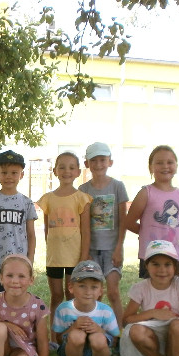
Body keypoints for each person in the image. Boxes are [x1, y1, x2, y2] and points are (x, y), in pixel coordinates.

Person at [37, 150, 92, 340]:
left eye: (71, 167)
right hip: (54, 257)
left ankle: (72, 335)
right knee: (56, 296)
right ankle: (55, 337)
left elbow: (86, 231)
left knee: (72, 297)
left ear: (78, 172)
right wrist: (51, 250)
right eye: (62, 167)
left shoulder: (82, 198)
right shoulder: (48, 199)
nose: (66, 171)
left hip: (74, 257)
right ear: (55, 171)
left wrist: (83, 257)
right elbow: (47, 230)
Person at [78, 141, 129, 330]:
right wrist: (85, 253)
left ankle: (119, 333)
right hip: (92, 250)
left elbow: (123, 221)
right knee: (94, 294)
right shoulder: (83, 190)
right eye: (94, 160)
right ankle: (95, 331)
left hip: (112, 250)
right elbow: (83, 225)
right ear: (87, 164)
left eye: (102, 160)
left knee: (113, 292)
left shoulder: (118, 187)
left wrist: (119, 248)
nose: (98, 164)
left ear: (110, 162)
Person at [52, 260, 120, 356]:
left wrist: (99, 330)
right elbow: (59, 339)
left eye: (94, 287)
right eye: (82, 286)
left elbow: (114, 340)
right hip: (70, 355)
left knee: (98, 337)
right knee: (76, 335)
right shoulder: (64, 309)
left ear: (101, 290)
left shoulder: (105, 311)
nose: (88, 292)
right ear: (71, 287)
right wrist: (73, 327)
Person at [0, 150, 37, 297]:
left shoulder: (27, 202)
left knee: (17, 301)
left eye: (14, 173)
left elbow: (31, 235)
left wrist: (29, 261)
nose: (9, 177)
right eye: (4, 173)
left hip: (20, 263)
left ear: (21, 175)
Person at [125, 145, 179, 278]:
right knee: (151, 290)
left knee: (178, 289)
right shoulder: (146, 193)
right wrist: (147, 232)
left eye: (170, 162)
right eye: (159, 163)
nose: (165, 166)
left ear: (176, 166)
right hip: (152, 256)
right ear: (150, 167)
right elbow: (129, 222)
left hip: (177, 255)